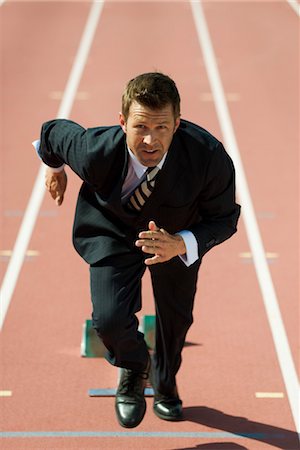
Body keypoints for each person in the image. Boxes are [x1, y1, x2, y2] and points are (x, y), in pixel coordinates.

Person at [35, 72, 240, 428]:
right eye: (140, 126)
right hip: (112, 231)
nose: (150, 140)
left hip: (174, 236)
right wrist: (55, 168)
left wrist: (181, 243)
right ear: (122, 122)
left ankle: (165, 382)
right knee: (109, 320)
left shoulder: (208, 157)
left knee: (175, 320)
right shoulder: (94, 150)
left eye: (162, 127)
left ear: (177, 123)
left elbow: (225, 218)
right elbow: (52, 131)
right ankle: (133, 367)